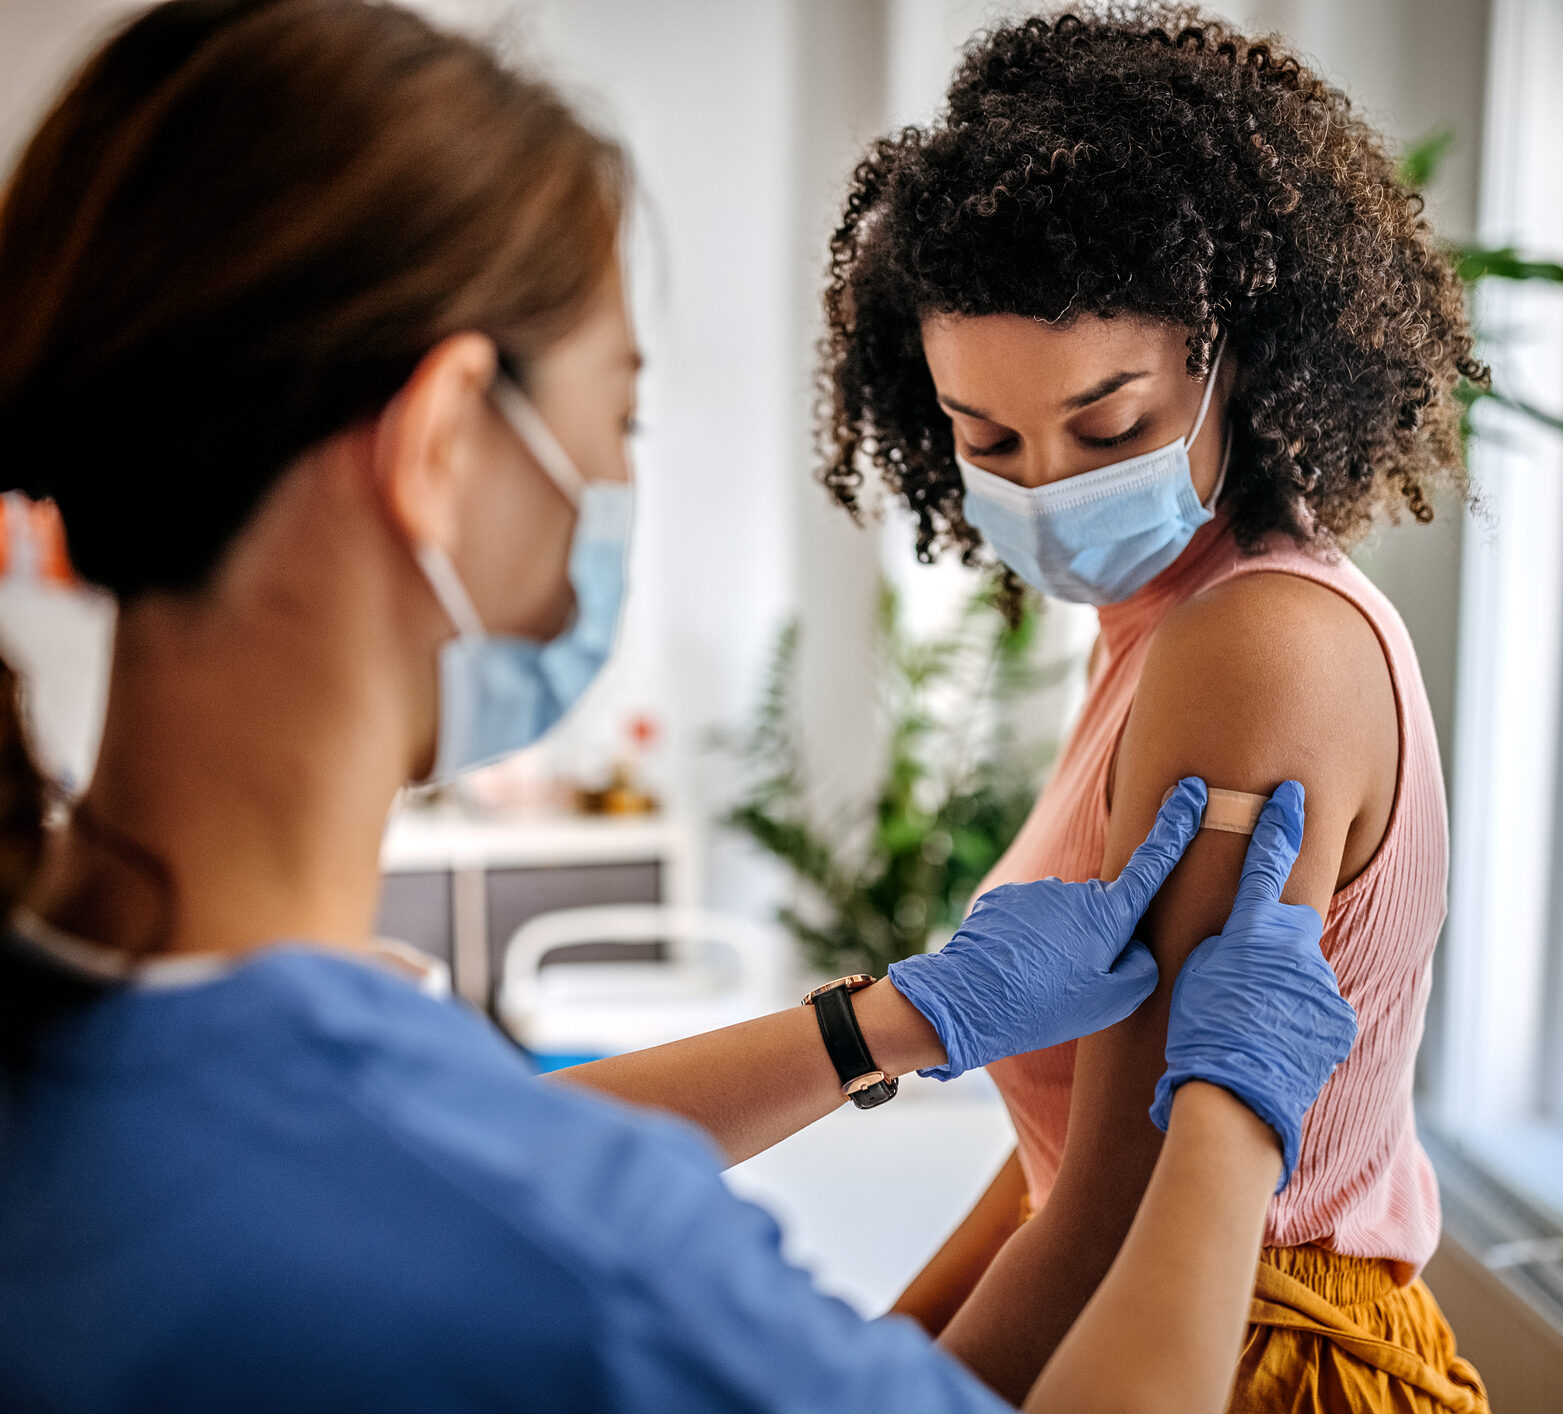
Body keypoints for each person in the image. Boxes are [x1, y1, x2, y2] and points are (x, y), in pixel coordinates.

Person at [0, 2, 1351, 1410]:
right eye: (619, 418)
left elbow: (452, 1144)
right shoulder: (580, 1266)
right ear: (445, 447)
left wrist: (891, 1019)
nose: (617, 487)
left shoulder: (105, 1048)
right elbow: (484, 1180)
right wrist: (1228, 1114)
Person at [820, 7, 1489, 1412]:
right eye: (987, 439)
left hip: (1247, 1352)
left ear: (1232, 356)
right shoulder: (1150, 633)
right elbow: (1052, 1168)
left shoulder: (1251, 646)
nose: (1050, 486)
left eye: (1110, 427)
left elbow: (1116, 1217)